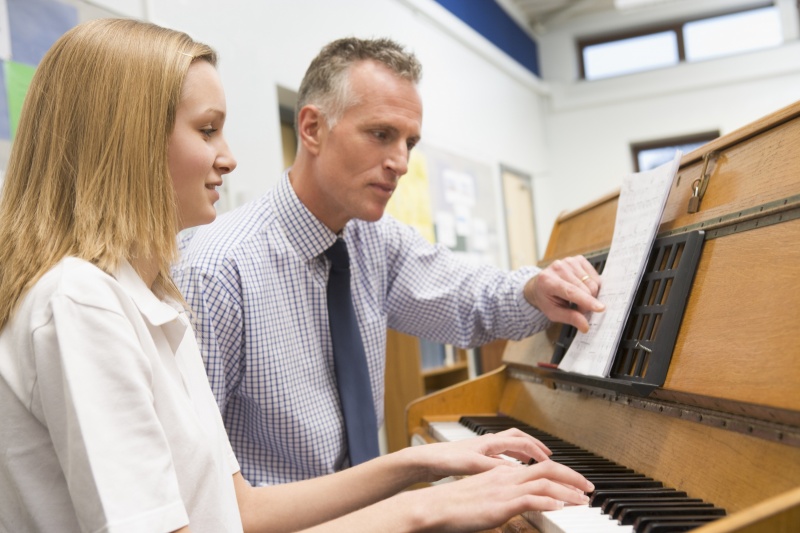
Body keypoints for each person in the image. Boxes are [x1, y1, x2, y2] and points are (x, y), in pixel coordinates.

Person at [0, 18, 595, 533]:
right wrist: (427, 508)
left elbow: (235, 509)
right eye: (207, 130)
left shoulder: (153, 294)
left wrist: (427, 467)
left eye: (408, 141)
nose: (400, 162)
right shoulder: (105, 298)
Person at [174, 36, 605, 486]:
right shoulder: (215, 270)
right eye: (381, 135)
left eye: (410, 142)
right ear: (312, 129)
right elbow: (196, 484)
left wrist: (533, 289)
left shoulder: (373, 238)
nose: (400, 162)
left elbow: (467, 297)